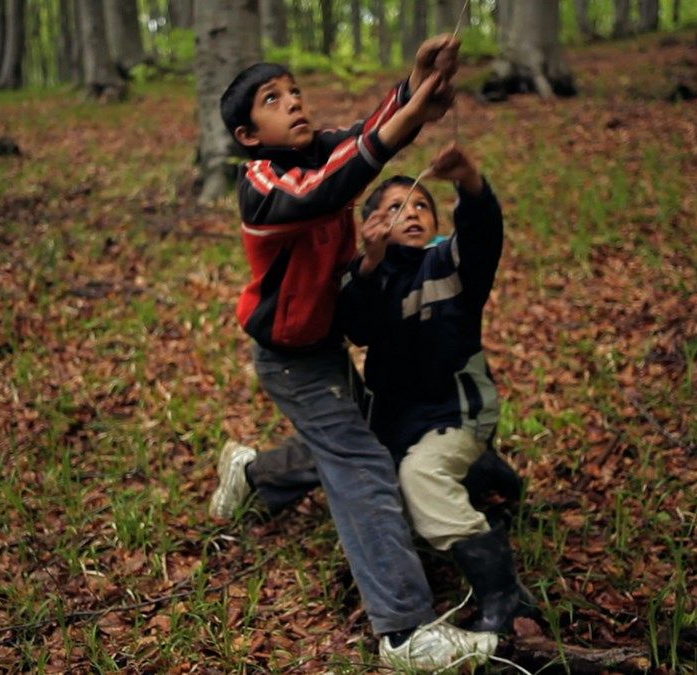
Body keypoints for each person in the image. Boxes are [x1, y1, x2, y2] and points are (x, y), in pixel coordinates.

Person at [210, 39, 501, 671]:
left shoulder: (316, 150)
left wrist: (417, 88)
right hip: (290, 359)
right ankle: (404, 631)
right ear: (246, 133)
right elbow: (332, 182)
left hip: (324, 344)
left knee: (347, 440)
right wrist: (407, 119)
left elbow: (365, 133)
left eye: (293, 93)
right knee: (363, 463)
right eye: (272, 100)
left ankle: (254, 475)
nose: (293, 104)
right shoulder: (262, 186)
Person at [338, 143, 543, 634]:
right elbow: (356, 326)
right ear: (371, 227)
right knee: (381, 498)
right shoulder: (370, 276)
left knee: (422, 479)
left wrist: (469, 182)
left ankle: (505, 597)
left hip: (456, 413)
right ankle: (484, 475)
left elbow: (482, 235)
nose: (410, 213)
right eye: (393, 208)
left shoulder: (449, 262)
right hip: (395, 419)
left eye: (420, 206)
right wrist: (369, 262)